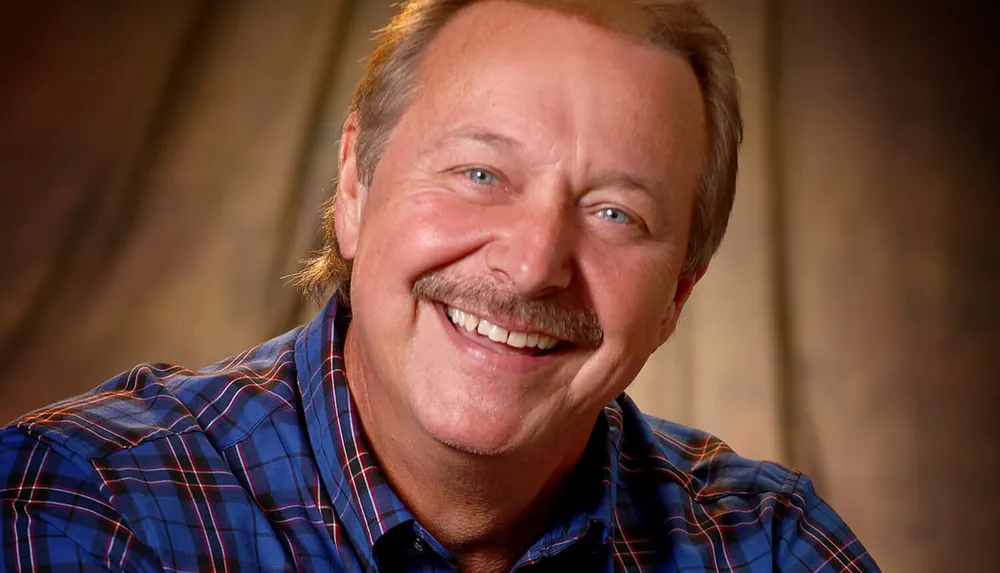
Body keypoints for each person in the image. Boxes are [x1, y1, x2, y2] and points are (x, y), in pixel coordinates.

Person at [0, 1, 880, 571]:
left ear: (679, 293)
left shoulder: (767, 546)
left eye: (615, 213)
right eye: (479, 174)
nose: (535, 263)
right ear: (354, 185)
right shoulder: (92, 504)